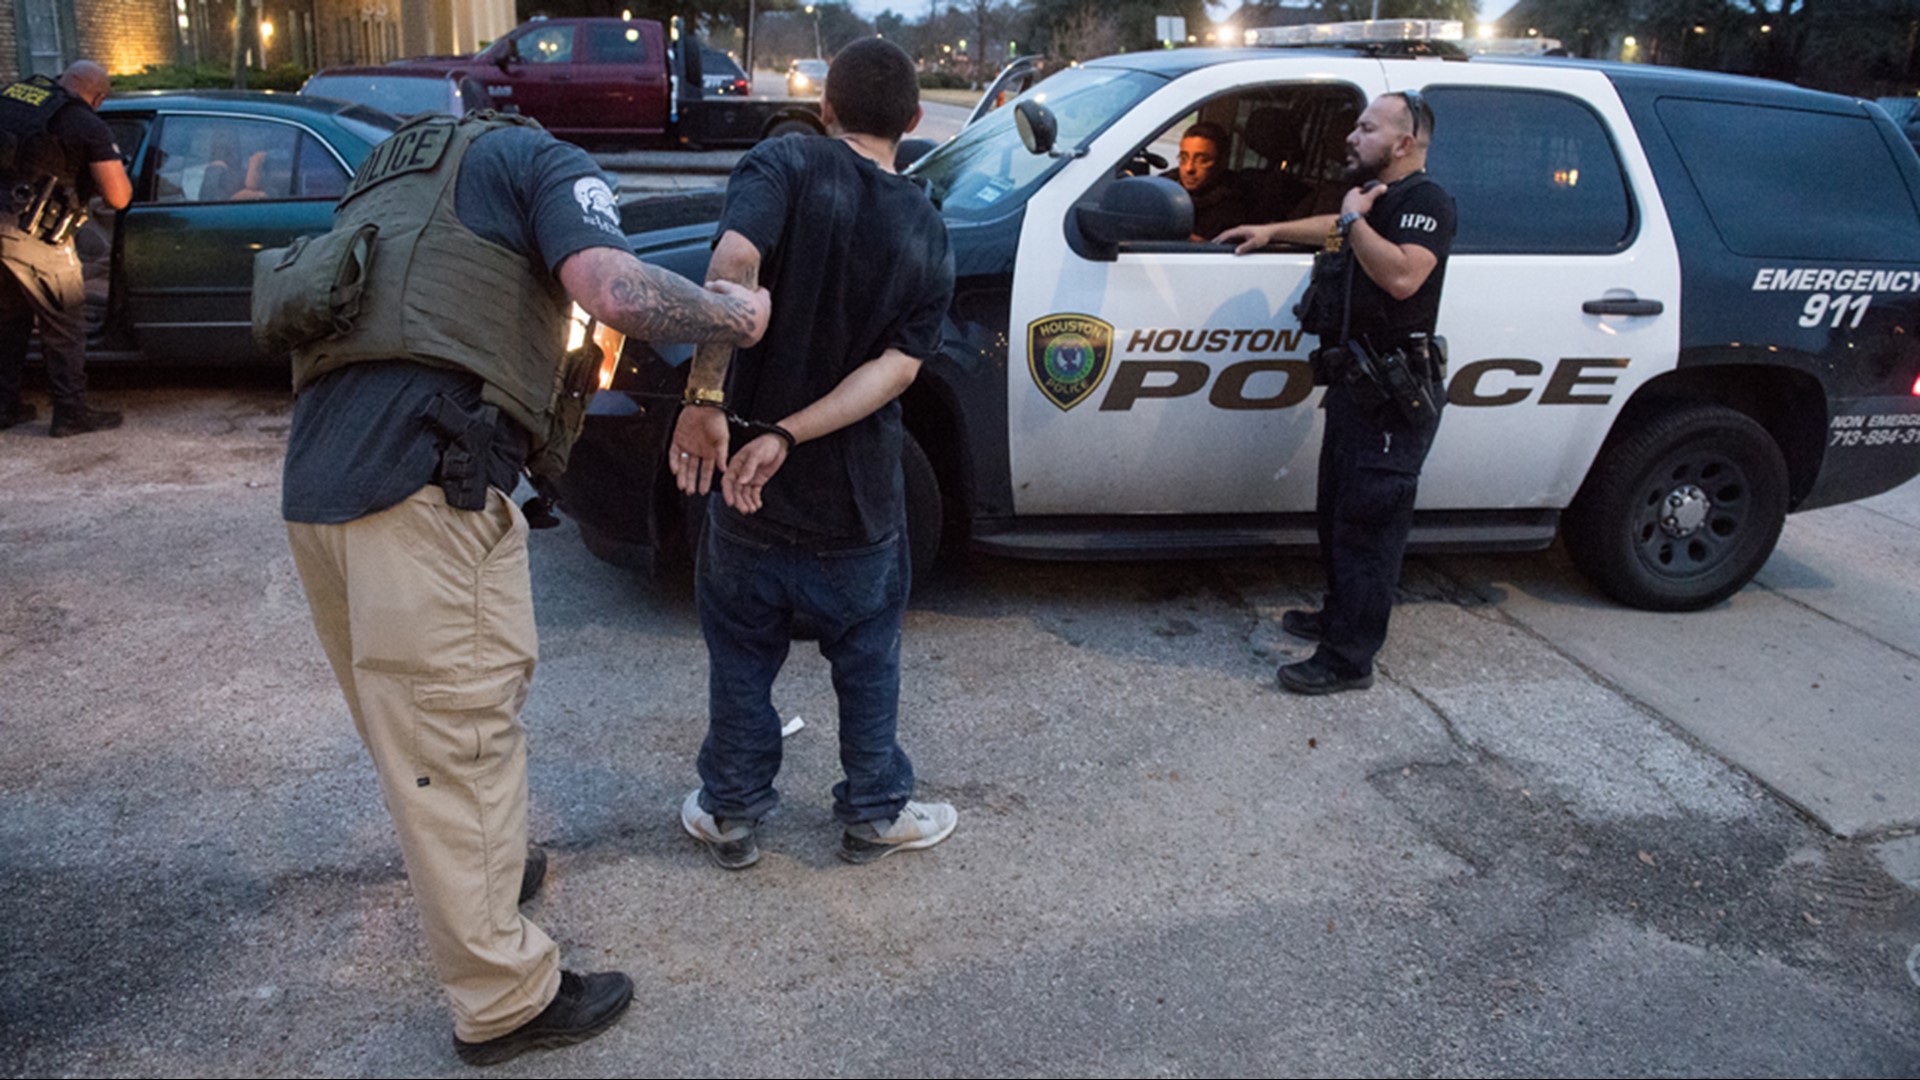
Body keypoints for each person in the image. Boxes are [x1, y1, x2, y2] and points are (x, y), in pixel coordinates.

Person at [263, 110, 768, 1064]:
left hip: (319, 486)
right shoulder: (544, 159)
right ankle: (505, 999)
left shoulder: (391, 171)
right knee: (463, 733)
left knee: (418, 732)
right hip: (423, 483)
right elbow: (611, 289)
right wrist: (734, 316)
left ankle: (485, 881)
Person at [668, 38, 958, 870]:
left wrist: (707, 398)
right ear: (911, 120)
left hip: (746, 495)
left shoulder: (784, 163)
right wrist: (792, 435)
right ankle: (874, 815)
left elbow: (733, 262)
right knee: (868, 664)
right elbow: (896, 371)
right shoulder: (927, 227)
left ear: (826, 107)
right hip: (858, 506)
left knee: (739, 657)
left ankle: (729, 811)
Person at [1216, 91, 1455, 695]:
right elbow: (1340, 229)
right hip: (1357, 385)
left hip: (1392, 394)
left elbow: (1402, 274)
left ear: (1404, 143)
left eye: (1367, 127)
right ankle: (1338, 615)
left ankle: (1349, 659)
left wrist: (1352, 219)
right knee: (1339, 514)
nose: (1352, 136)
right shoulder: (1380, 199)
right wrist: (1273, 230)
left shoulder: (1427, 200)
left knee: (1369, 528)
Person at [0, 60, 131, 436]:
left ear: (62, 79)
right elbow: (118, 198)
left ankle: (5, 407)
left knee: (7, 320)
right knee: (64, 321)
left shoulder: (11, 98)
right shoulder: (85, 123)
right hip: (32, 235)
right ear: (99, 97)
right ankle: (71, 412)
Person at [1164, 121, 1244, 241]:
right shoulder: (1166, 185)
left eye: (1202, 160)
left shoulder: (1235, 200)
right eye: (1183, 158)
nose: (1189, 168)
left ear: (1221, 161)